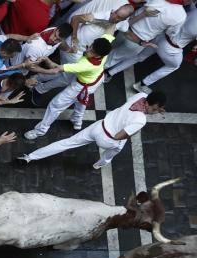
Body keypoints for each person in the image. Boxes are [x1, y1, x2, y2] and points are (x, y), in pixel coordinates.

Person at [20, 91, 166, 168]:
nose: (156, 112)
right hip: (108, 139)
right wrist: (129, 134)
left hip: (98, 126)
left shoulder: (141, 96)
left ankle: (29, 157)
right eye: (155, 109)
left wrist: (155, 108)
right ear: (148, 104)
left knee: (66, 143)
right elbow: (120, 135)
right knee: (116, 148)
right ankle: (101, 163)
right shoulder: (141, 120)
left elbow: (148, 99)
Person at [24, 34, 113, 139]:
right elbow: (110, 33)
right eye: (91, 46)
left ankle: (40, 130)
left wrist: (46, 59)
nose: (88, 50)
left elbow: (56, 69)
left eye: (92, 52)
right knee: (81, 100)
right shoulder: (104, 46)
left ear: (99, 56)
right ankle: (77, 119)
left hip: (80, 86)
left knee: (55, 105)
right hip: (96, 79)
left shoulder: (85, 65)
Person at [102, 0, 188, 79]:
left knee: (108, 49)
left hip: (126, 28)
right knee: (112, 59)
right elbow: (170, 33)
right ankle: (98, 73)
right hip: (138, 40)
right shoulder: (181, 16)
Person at [124, 3, 197, 93]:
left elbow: (191, 7)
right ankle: (142, 84)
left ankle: (111, 71)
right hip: (171, 48)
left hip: (160, 37)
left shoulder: (193, 9)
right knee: (174, 66)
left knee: (139, 56)